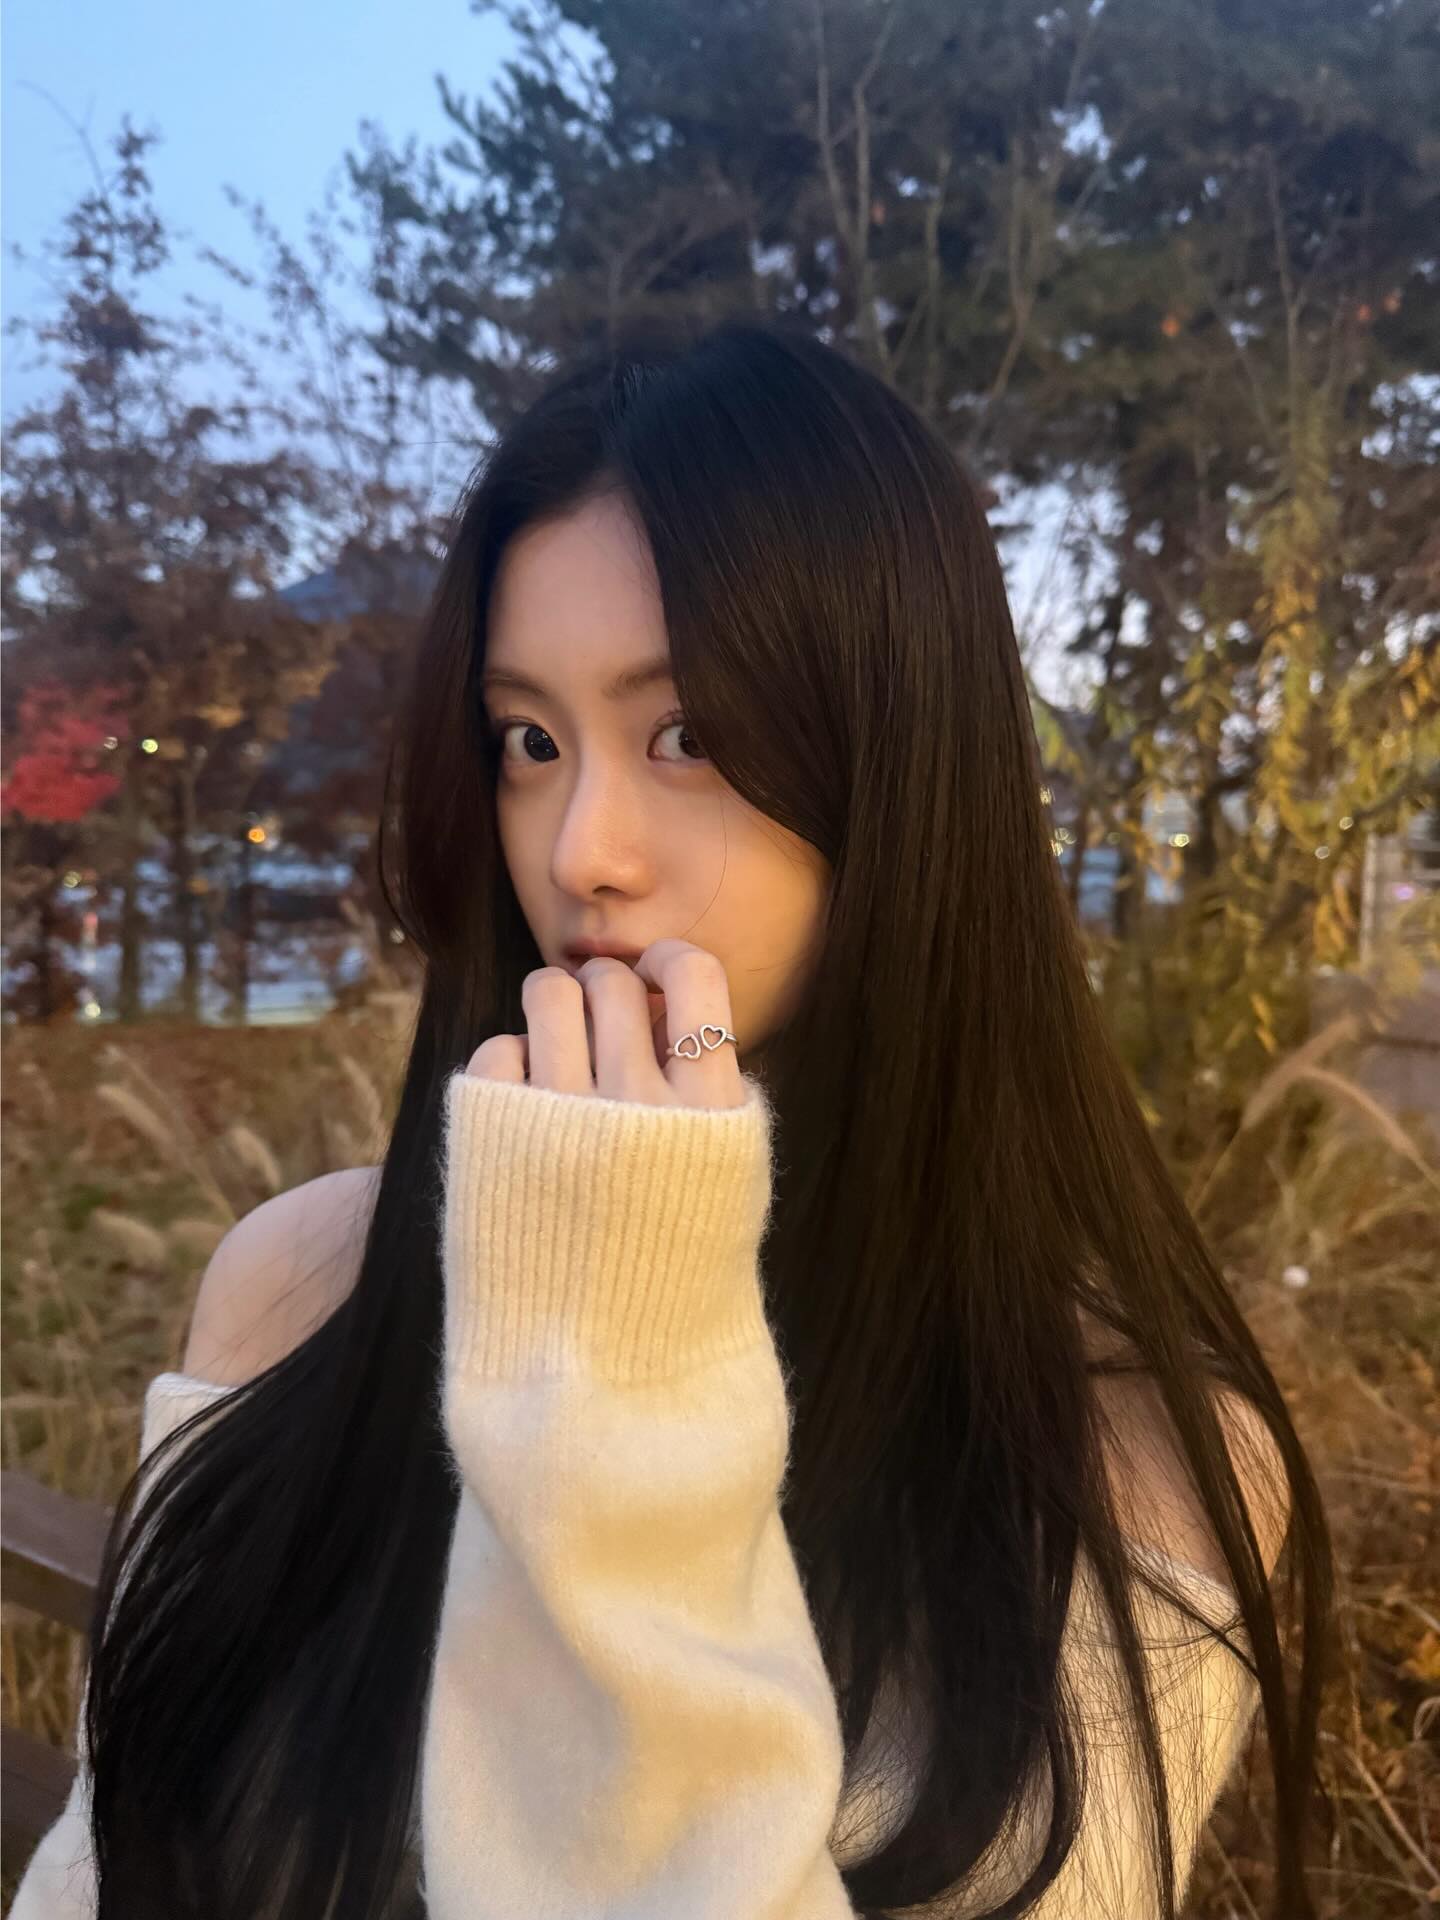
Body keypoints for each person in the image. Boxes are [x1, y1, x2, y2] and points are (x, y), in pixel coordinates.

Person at [14, 316, 1332, 1919]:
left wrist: (615, 1401)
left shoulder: (1125, 1465)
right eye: (529, 740)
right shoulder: (300, 1286)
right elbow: (96, 1867)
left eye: (688, 736)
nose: (583, 849)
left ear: (902, 765)